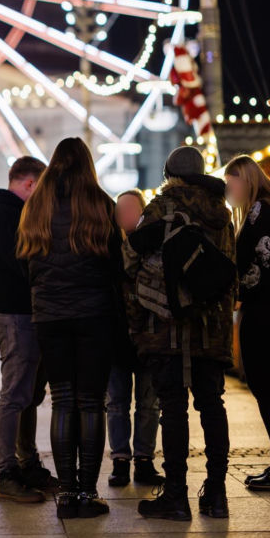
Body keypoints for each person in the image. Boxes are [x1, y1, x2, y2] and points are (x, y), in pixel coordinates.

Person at [124, 146, 235, 521]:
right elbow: (229, 274)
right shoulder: (223, 215)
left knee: (173, 409)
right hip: (210, 329)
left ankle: (176, 496)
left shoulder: (159, 210)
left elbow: (130, 262)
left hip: (166, 327)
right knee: (212, 406)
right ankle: (217, 495)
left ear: (170, 174)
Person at [17, 138, 122, 519]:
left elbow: (26, 263)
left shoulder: (35, 207)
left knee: (62, 400)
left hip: (50, 316)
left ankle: (65, 495)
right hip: (94, 313)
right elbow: (116, 265)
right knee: (91, 402)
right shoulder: (100, 203)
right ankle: (87, 492)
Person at [0, 155, 57, 505]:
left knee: (29, 394)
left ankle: (27, 463)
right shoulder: (5, 216)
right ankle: (7, 473)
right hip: (15, 315)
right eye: (41, 189)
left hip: (28, 313)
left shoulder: (16, 214)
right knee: (15, 395)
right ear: (29, 184)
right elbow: (21, 265)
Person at [224, 154, 270, 490]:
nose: (229, 191)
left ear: (247, 181)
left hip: (266, 315)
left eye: (232, 184)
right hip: (264, 313)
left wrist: (234, 289)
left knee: (268, 388)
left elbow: (261, 268)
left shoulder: (263, 215)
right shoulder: (266, 211)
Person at [105, 189, 163, 488]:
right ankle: (119, 460)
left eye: (131, 208)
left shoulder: (152, 244)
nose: (125, 214)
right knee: (116, 403)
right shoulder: (108, 248)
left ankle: (143, 459)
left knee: (148, 403)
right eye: (120, 209)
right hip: (117, 337)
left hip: (148, 336)